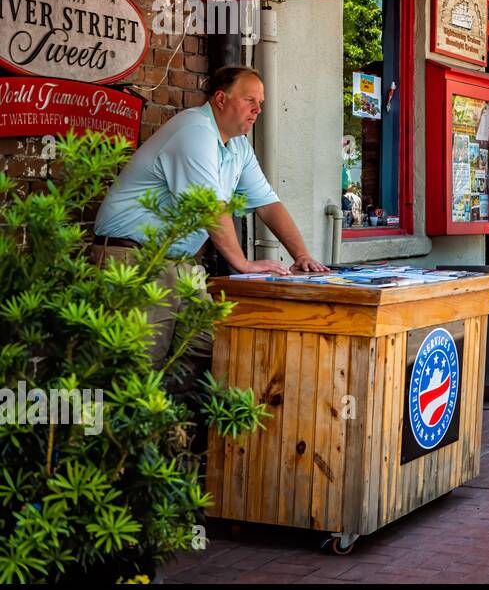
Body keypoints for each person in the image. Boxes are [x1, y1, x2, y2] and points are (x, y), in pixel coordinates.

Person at [92, 65, 328, 372]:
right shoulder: (195, 129)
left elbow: (268, 203)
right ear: (220, 99)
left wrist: (302, 255)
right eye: (249, 100)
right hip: (134, 259)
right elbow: (210, 207)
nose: (257, 110)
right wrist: (242, 263)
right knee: (137, 367)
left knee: (204, 352)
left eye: (261, 103)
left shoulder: (238, 145)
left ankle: (176, 421)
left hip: (178, 263)